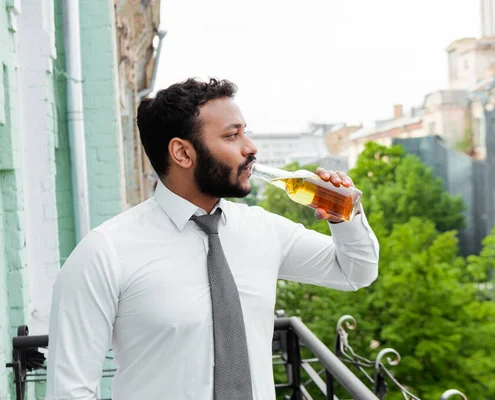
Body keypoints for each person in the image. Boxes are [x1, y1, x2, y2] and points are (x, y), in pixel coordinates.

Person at [46, 78, 379, 400]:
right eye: (232, 136)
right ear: (183, 153)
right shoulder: (105, 252)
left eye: (244, 132)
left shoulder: (263, 229)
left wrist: (344, 216)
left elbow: (355, 271)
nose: (250, 148)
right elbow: (70, 391)